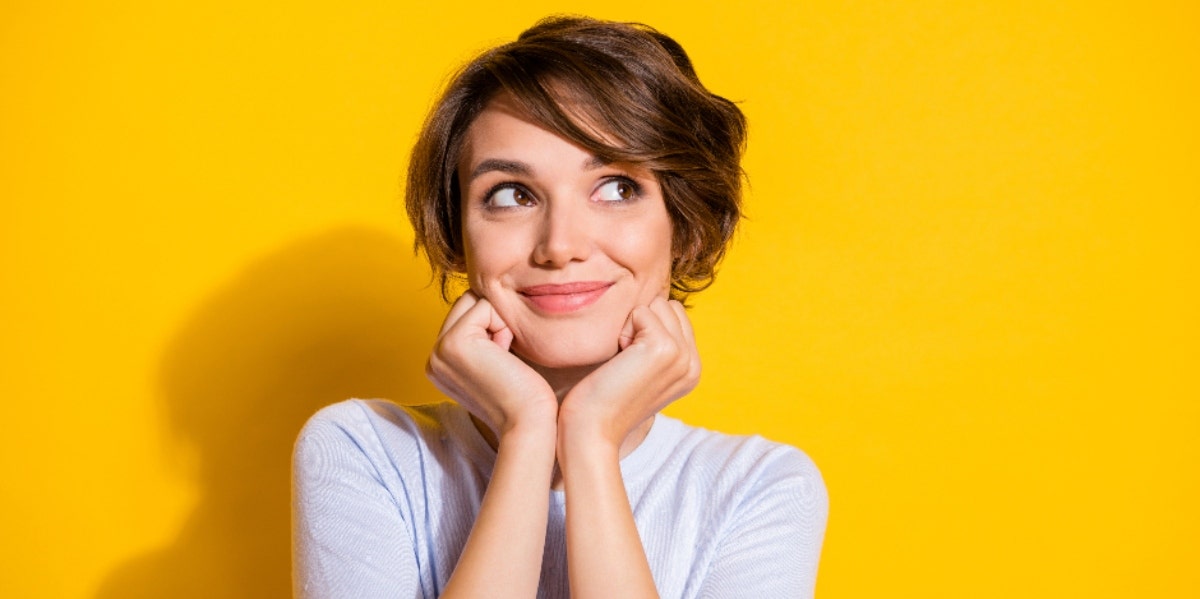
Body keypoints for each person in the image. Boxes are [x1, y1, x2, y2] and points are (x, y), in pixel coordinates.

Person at [293, 16, 828, 598]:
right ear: (457, 235)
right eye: (511, 195)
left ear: (688, 228)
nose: (560, 246)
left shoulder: (760, 488)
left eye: (617, 188)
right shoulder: (364, 452)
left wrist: (590, 439)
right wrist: (527, 433)